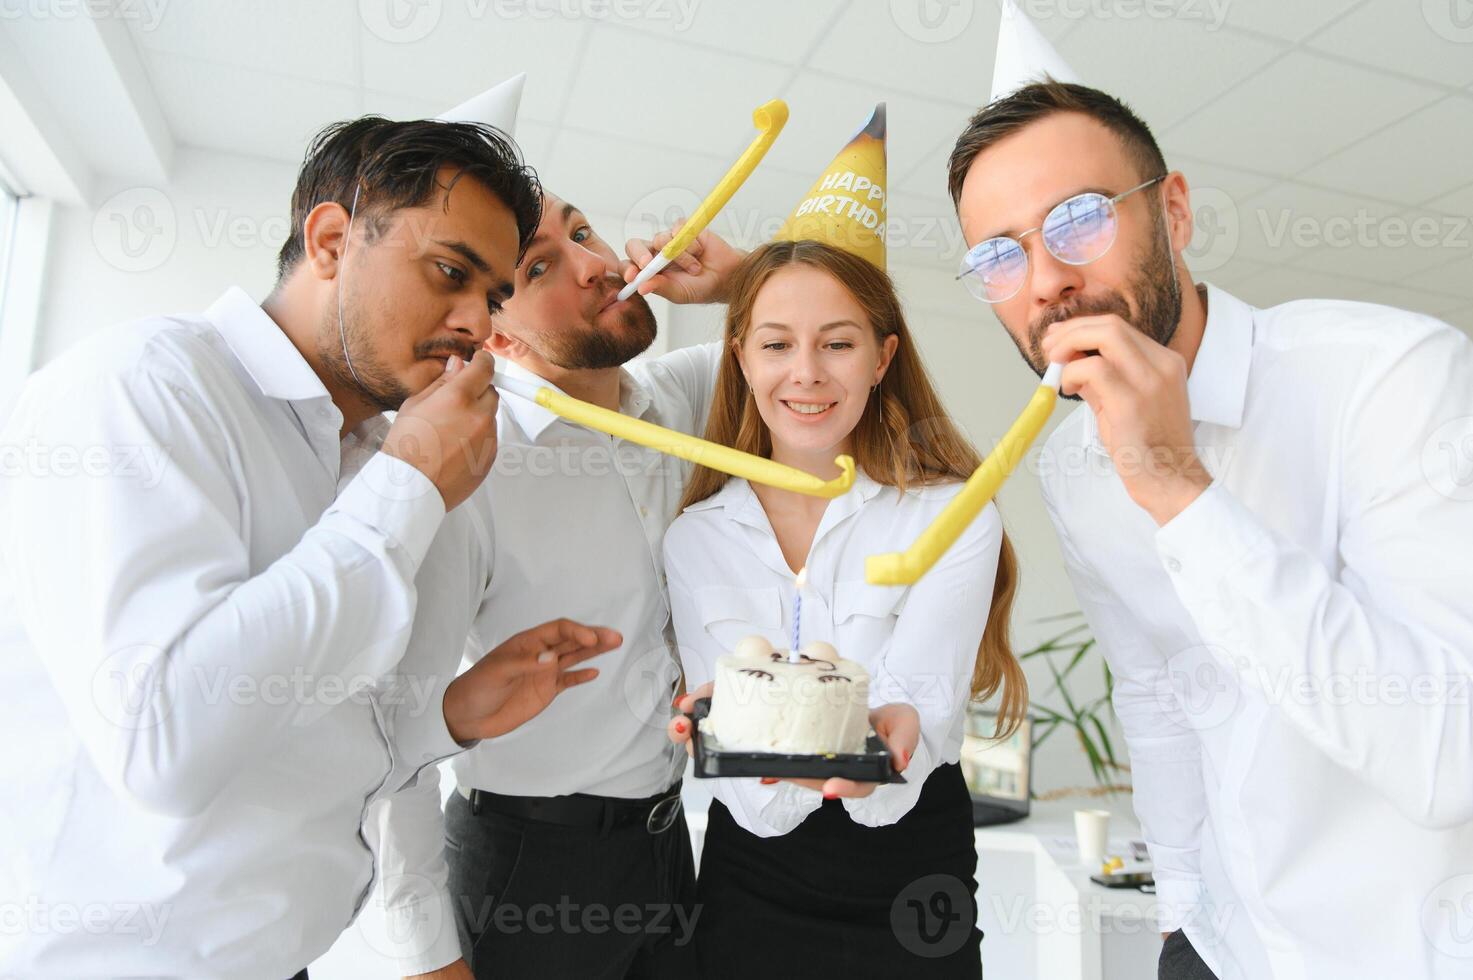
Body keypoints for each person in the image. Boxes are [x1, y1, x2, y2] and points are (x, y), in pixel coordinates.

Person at [0, 114, 620, 979]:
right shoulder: (145, 387)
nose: (476, 323)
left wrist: (447, 717)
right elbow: (162, 743)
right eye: (450, 273)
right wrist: (408, 486)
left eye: (493, 297)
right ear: (330, 239)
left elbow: (292, 738)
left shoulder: (365, 448)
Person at [948, 32, 1473, 980]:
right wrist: (1181, 913)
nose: (1045, 281)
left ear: (1175, 211)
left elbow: (1445, 760)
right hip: (1220, 950)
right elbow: (1156, 693)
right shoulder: (1070, 470)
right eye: (998, 254)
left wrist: (1175, 488)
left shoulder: (1390, 378)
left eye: (1077, 219)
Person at [376, 190, 743, 980]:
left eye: (583, 232)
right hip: (527, 872)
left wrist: (737, 282)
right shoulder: (470, 464)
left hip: (667, 848)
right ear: (495, 330)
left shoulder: (677, 399)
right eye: (541, 264)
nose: (594, 265)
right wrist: (426, 959)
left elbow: (818, 335)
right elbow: (395, 735)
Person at [664, 235, 1026, 977]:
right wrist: (741, 741)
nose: (806, 373)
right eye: (776, 344)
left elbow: (915, 727)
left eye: (837, 343)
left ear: (882, 358)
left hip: (913, 883)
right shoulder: (694, 537)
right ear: (739, 357)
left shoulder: (952, 516)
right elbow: (756, 802)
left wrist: (842, 762)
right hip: (751, 885)